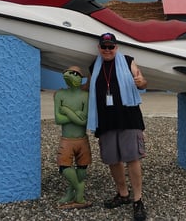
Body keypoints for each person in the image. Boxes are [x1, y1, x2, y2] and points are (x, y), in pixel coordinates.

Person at [86, 32, 147, 221]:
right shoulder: (94, 66)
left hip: (128, 117)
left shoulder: (128, 61)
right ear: (99, 48)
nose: (107, 50)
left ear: (116, 47)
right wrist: (67, 91)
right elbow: (88, 87)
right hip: (105, 120)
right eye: (103, 47)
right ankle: (123, 194)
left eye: (110, 46)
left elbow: (143, 81)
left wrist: (140, 82)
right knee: (113, 160)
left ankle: (138, 200)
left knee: (133, 158)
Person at [54, 66, 92, 209]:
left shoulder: (85, 96)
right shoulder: (60, 95)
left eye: (74, 73)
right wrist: (76, 114)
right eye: (67, 72)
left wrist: (67, 111)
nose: (69, 75)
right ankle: (79, 187)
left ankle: (71, 192)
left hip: (82, 139)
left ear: (80, 77)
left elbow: (84, 121)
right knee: (64, 166)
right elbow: (58, 119)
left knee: (82, 166)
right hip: (66, 139)